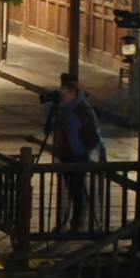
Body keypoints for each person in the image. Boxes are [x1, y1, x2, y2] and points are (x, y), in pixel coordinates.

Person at [47, 76, 106, 226]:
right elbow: (50, 128)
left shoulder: (82, 109)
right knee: (71, 188)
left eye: (66, 93)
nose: (63, 95)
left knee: (78, 189)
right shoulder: (64, 109)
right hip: (66, 153)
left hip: (78, 155)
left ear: (73, 93)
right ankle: (69, 218)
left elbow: (92, 134)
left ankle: (78, 219)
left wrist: (87, 153)